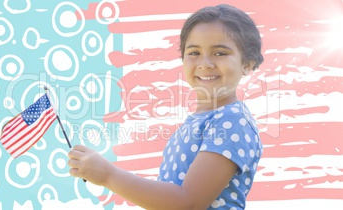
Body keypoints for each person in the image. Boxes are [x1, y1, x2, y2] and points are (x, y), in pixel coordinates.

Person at [68, 4, 264, 209]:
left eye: (220, 53)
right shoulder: (201, 120)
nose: (205, 63)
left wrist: (108, 175)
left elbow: (188, 202)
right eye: (194, 52)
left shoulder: (232, 120)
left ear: (247, 63)